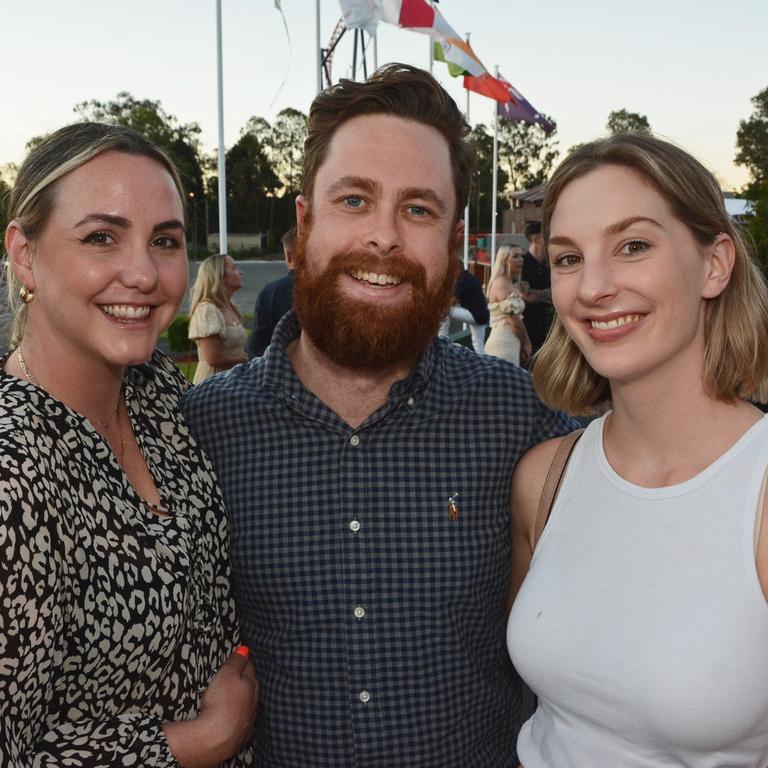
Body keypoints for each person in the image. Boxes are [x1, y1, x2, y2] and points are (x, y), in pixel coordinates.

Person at [183, 63, 576, 768]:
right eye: (355, 200)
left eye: (419, 209)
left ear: (453, 240)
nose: (385, 237)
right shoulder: (200, 432)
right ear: (304, 223)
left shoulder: (522, 419)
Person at [0, 122, 258, 767]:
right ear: (25, 254)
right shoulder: (13, 466)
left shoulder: (155, 390)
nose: (143, 274)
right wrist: (202, 741)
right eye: (101, 238)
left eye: (164, 241)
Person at [507, 134, 768, 766]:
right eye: (568, 258)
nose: (593, 287)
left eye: (633, 246)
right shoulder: (544, 479)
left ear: (715, 264)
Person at [188, 253, 248, 383]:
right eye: (234, 268)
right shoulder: (207, 309)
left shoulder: (230, 307)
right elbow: (213, 359)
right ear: (220, 276)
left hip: (232, 381)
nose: (240, 273)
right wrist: (244, 360)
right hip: (213, 384)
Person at [247, 227, 296, 357]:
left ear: (289, 256)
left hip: (281, 370)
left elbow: (257, 347)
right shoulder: (337, 287)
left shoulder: (271, 293)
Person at [485, 244, 531, 365]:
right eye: (515, 256)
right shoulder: (501, 283)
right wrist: (526, 342)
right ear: (505, 261)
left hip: (511, 342)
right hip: (502, 343)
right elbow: (514, 319)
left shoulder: (509, 283)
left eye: (521, 255)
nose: (521, 259)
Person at [438, 264, 490, 353]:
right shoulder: (470, 277)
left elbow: (452, 300)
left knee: (444, 309)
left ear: (457, 269)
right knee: (479, 346)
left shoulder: (462, 280)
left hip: (474, 315)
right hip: (483, 316)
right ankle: (482, 362)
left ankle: (442, 339)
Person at [520, 221, 553, 356]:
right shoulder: (522, 263)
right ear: (536, 238)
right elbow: (527, 297)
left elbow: (557, 293)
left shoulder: (550, 263)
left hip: (549, 329)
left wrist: (536, 293)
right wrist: (548, 293)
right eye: (547, 235)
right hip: (529, 331)